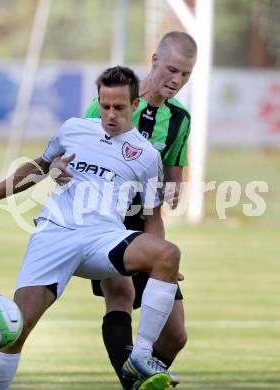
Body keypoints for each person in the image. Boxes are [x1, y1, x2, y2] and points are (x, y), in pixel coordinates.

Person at [0, 66, 181, 390]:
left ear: (135, 105)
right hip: (55, 233)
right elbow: (39, 166)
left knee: (168, 254)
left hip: (104, 238)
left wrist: (159, 262)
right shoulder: (74, 129)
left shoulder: (146, 156)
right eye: (105, 105)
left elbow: (152, 216)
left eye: (119, 107)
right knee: (16, 330)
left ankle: (140, 356)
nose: (110, 114)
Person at [81, 31, 197, 390]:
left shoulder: (179, 119)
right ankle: (132, 384)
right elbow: (76, 161)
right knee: (122, 294)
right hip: (105, 219)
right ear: (155, 60)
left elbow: (172, 174)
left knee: (176, 335)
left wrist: (175, 186)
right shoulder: (113, 102)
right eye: (173, 69)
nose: (177, 80)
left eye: (186, 75)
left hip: (147, 220)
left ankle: (139, 378)